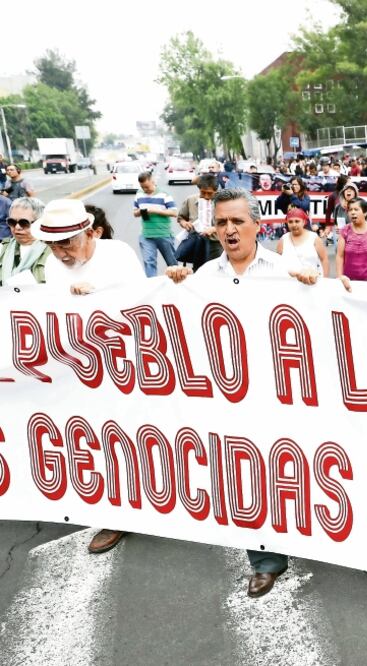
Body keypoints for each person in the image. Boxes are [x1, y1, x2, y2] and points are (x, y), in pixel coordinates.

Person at [164, 189, 331, 597]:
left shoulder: (285, 268)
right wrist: (173, 290)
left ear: (257, 225)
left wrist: (319, 287)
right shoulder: (202, 279)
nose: (229, 229)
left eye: (238, 220)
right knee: (247, 475)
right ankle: (265, 560)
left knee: (295, 469)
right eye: (221, 222)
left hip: (285, 393)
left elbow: (324, 318)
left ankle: (317, 536)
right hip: (233, 399)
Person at [33, 198, 145, 554]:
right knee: (91, 439)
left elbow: (143, 305)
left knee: (128, 436)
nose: (61, 253)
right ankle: (111, 511)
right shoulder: (53, 265)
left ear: (87, 232)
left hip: (124, 365)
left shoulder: (118, 255)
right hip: (79, 369)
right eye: (53, 245)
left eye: (67, 243)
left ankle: (137, 509)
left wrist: (99, 297)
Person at [134, 172, 178, 277]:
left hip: (164, 234)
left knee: (172, 264)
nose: (145, 189)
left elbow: (174, 213)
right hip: (146, 235)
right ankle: (152, 287)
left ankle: (177, 285)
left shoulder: (164, 194)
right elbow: (135, 213)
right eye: (142, 187)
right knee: (149, 262)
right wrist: (140, 211)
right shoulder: (139, 194)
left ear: (152, 181)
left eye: (147, 187)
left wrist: (155, 211)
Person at [176, 174, 223, 270]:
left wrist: (214, 229)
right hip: (197, 241)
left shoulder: (223, 202)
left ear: (216, 190)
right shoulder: (191, 200)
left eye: (210, 193)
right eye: (203, 192)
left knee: (217, 271)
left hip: (217, 244)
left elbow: (230, 222)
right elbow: (181, 218)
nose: (206, 196)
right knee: (198, 270)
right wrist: (185, 223)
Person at [0, 196, 50, 285]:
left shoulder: (54, 251)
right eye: (12, 222)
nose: (17, 227)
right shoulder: (2, 249)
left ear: (39, 222)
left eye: (24, 223)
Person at [277, 207, 328, 276]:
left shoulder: (314, 238)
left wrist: (324, 280)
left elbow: (324, 259)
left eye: (297, 221)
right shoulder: (283, 240)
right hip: (288, 283)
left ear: (304, 222)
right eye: (290, 222)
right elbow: (278, 263)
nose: (294, 225)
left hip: (312, 283)